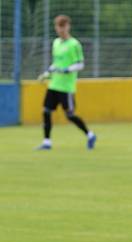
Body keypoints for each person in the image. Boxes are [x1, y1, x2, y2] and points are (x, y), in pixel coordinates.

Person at [36, 15, 96, 151]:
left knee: (70, 115)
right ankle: (47, 142)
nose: (61, 29)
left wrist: (67, 70)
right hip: (54, 84)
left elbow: (80, 65)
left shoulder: (74, 44)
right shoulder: (56, 43)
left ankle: (90, 135)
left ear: (68, 26)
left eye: (63, 26)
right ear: (56, 28)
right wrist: (47, 73)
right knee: (46, 111)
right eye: (58, 27)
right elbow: (56, 63)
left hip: (66, 87)